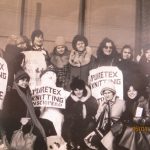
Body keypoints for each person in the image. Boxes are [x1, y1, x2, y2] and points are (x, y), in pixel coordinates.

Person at [2, 69, 47, 149]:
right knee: (32, 142)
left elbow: (32, 113)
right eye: (22, 80)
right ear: (17, 81)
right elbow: (5, 114)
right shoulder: (11, 93)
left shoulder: (28, 94)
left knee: (40, 137)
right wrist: (20, 119)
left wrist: (37, 109)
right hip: (14, 126)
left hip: (28, 124)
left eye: (27, 81)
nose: (25, 82)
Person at [62, 77, 98, 150]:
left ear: (84, 89)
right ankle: (72, 144)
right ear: (73, 91)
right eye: (76, 90)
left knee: (91, 124)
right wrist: (78, 103)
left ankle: (84, 145)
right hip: (74, 124)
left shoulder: (91, 99)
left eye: (80, 89)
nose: (78, 92)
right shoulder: (69, 100)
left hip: (87, 124)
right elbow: (67, 114)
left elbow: (94, 112)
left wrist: (83, 101)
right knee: (68, 125)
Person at [92, 81, 125, 150]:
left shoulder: (121, 103)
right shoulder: (103, 104)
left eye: (109, 92)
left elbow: (126, 117)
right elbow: (97, 120)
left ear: (113, 93)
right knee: (94, 140)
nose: (107, 95)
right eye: (105, 93)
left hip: (116, 130)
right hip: (104, 129)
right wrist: (100, 108)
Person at [119, 79, 150, 150]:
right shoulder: (127, 102)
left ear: (137, 91)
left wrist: (135, 119)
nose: (131, 93)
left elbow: (149, 119)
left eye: (134, 90)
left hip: (145, 129)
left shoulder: (143, 102)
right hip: (133, 127)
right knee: (118, 127)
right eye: (129, 91)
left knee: (131, 131)